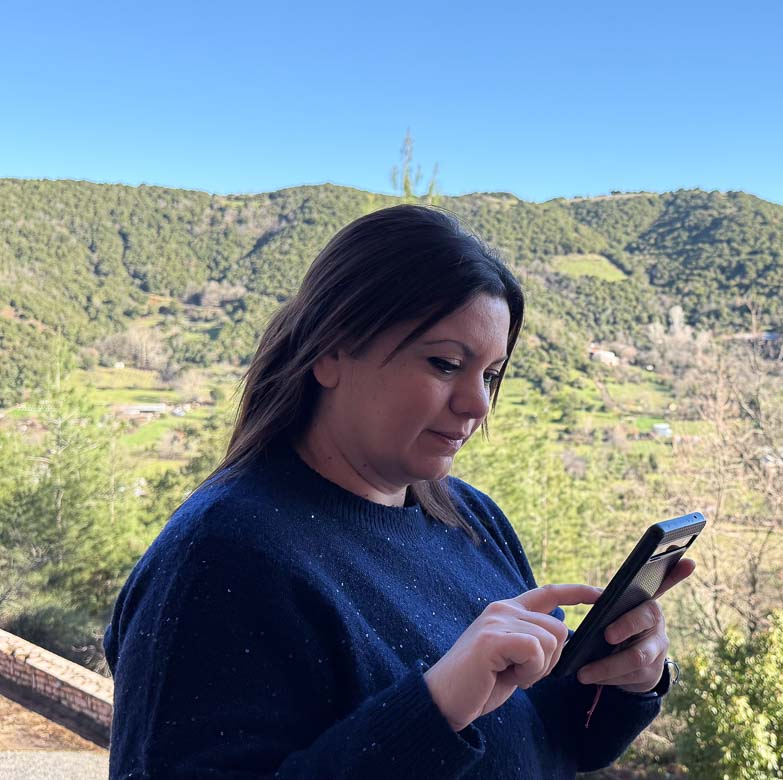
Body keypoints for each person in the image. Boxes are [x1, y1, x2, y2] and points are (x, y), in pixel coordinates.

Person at [102, 204, 695, 778]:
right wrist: (435, 709)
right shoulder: (219, 559)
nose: (478, 404)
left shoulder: (471, 518)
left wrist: (627, 681)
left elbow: (557, 741)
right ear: (331, 353)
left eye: (491, 374)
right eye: (444, 363)